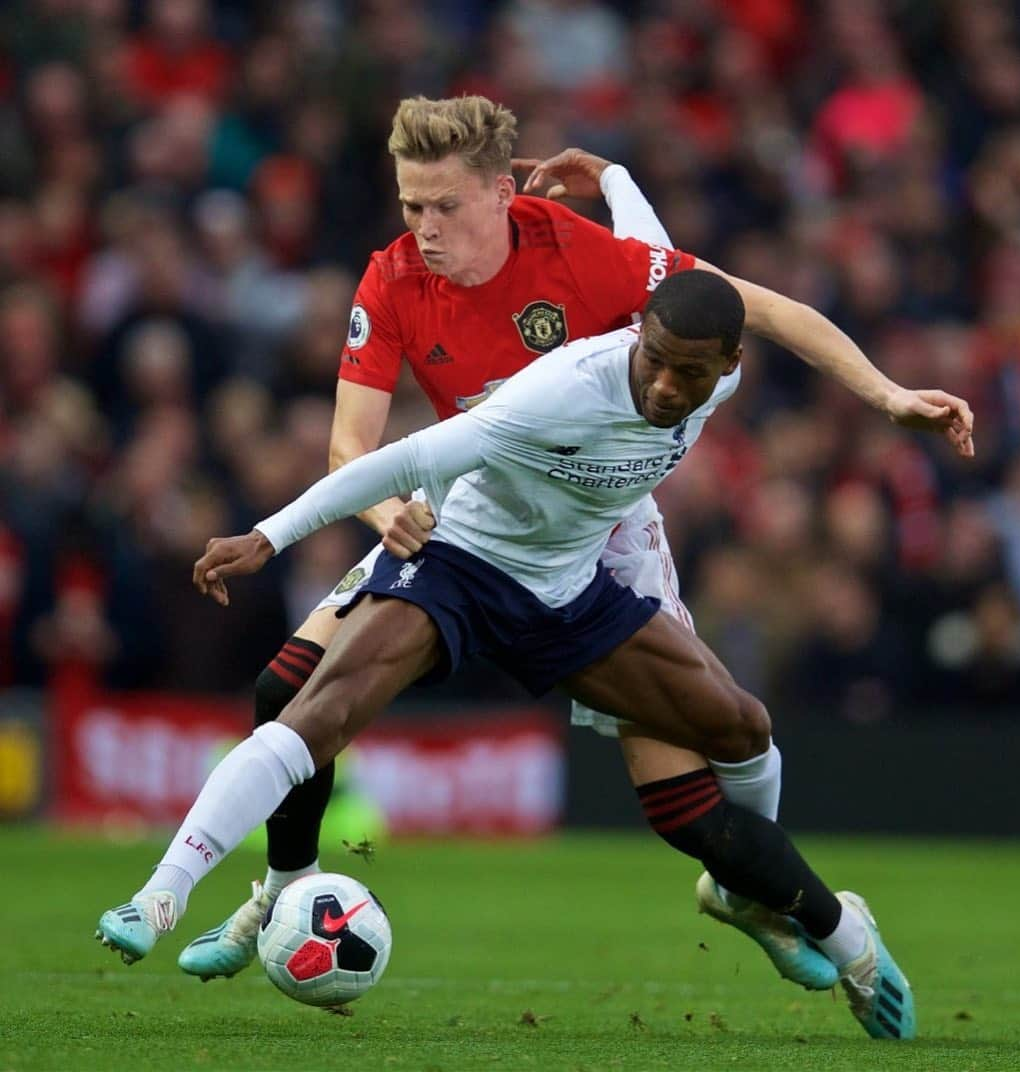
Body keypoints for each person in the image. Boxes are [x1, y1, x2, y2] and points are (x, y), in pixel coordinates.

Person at [155, 95, 946, 991]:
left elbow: (759, 308)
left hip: (602, 527)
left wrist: (887, 396)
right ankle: (285, 895)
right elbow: (358, 448)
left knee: (683, 796)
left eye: (444, 205)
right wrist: (383, 517)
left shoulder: (580, 253)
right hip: (473, 517)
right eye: (411, 205)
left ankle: (749, 898)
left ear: (499, 193)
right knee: (284, 687)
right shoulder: (393, 279)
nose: (424, 227)